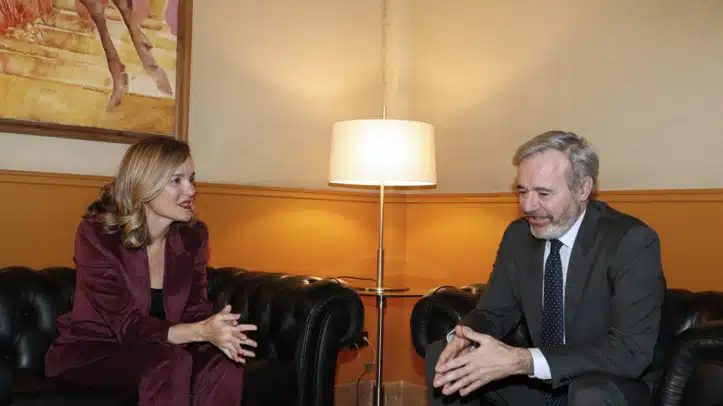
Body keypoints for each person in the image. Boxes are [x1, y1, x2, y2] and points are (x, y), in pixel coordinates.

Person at [425, 131, 666, 406]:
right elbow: (494, 313)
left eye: (543, 193)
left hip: (609, 381)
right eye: (522, 192)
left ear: (583, 189)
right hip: (541, 378)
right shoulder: (518, 236)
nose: (527, 206)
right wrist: (463, 337)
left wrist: (523, 360)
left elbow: (629, 352)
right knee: (445, 358)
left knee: (589, 394)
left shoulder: (630, 241)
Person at [45, 136, 256, 406]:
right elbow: (127, 325)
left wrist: (217, 329)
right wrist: (199, 332)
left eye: (191, 179)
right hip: (95, 351)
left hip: (162, 349)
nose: (191, 190)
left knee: (225, 361)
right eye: (177, 181)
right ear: (145, 186)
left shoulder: (194, 236)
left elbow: (194, 309)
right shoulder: (97, 235)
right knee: (168, 362)